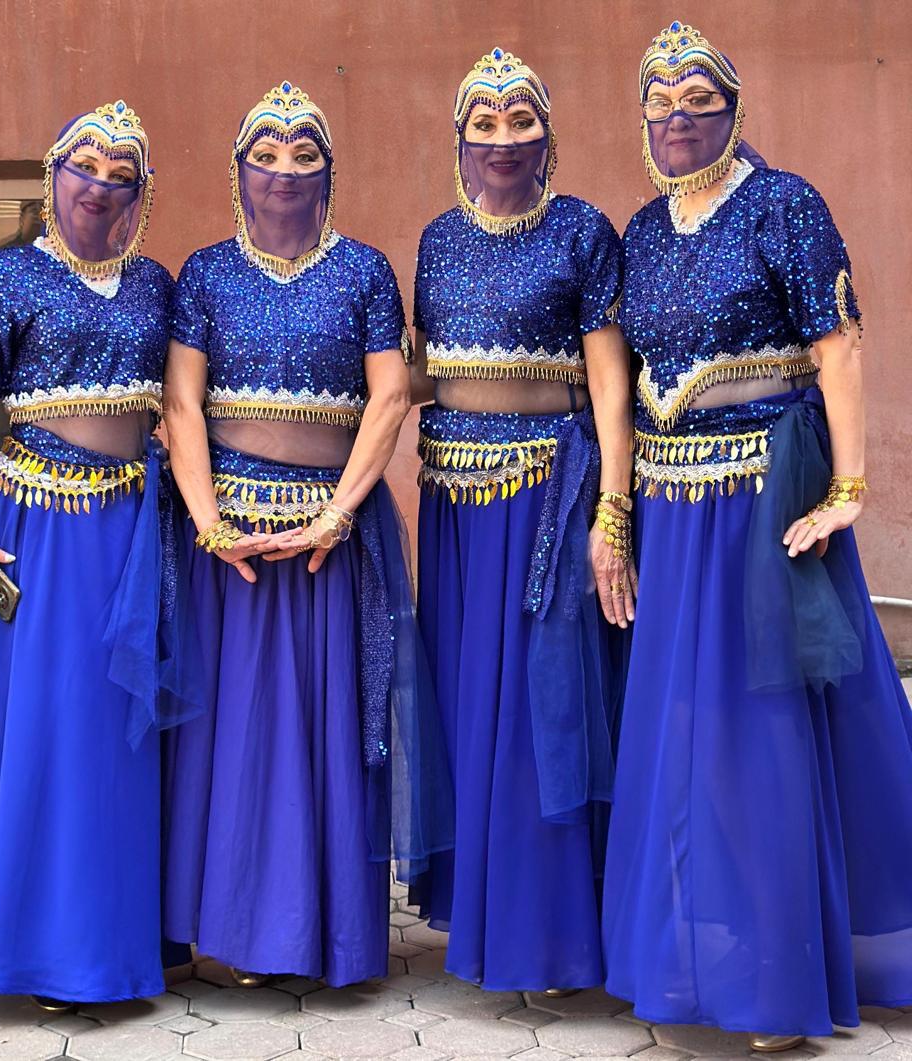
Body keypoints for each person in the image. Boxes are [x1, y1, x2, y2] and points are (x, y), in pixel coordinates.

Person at [602, 22, 912, 1050]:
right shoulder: (642, 229)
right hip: (670, 506)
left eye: (699, 98)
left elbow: (836, 345)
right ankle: (705, 952)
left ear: (732, 109)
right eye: (661, 100)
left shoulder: (785, 204)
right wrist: (617, 512)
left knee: (765, 725)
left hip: (762, 502)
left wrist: (849, 487)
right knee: (686, 725)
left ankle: (782, 974)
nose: (679, 116)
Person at [162, 81, 451, 989]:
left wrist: (336, 512)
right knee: (235, 730)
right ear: (237, 170)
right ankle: (230, 928)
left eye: (304, 153)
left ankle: (322, 933)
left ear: (331, 170)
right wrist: (210, 525)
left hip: (334, 538)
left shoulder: (364, 270)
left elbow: (390, 395)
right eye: (266, 153)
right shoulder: (205, 273)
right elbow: (181, 403)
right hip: (228, 547)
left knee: (327, 731)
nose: (284, 169)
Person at [0, 101, 197, 1008]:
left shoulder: (156, 283)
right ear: (53, 176)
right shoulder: (10, 275)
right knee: (50, 728)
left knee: (121, 731)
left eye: (121, 173)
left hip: (129, 526)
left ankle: (117, 941)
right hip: (36, 526)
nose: (100, 185)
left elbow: (182, 403)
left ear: (141, 191)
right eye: (86, 165)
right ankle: (45, 951)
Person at [408, 48, 633, 995]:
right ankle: (486, 921)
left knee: (544, 711)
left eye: (521, 120)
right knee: (470, 706)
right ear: (459, 137)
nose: (503, 138)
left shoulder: (583, 231)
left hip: (550, 497)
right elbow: (422, 373)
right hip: (456, 507)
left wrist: (613, 507)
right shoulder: (434, 240)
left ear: (550, 133)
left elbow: (611, 381)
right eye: (485, 122)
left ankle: (552, 936)